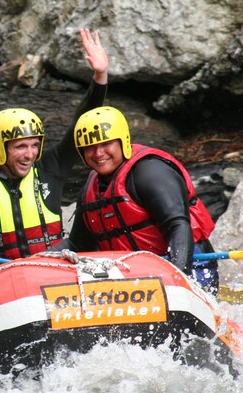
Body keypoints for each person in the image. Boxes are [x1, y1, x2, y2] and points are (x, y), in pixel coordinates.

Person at [0, 28, 109, 258]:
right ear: (0, 147)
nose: (29, 154)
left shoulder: (50, 168)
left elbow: (80, 124)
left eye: (33, 145)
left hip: (53, 270)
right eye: (20, 146)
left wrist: (100, 78)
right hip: (6, 280)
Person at [55, 106, 218, 290]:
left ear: (122, 141)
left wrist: (177, 279)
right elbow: (77, 244)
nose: (98, 153)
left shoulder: (150, 173)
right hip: (137, 278)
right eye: (90, 147)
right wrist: (34, 261)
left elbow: (178, 226)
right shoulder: (89, 190)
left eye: (106, 144)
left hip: (190, 266)